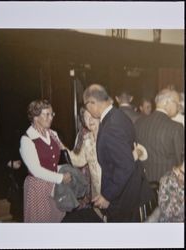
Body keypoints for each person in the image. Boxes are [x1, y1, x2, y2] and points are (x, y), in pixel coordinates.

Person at [62, 84, 155, 222]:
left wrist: (107, 196)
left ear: (92, 103)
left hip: (124, 198)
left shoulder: (110, 126)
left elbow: (125, 166)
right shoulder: (118, 115)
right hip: (129, 192)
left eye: (87, 106)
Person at [19, 99, 71, 222]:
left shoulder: (53, 134)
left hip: (54, 187)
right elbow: (36, 170)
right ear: (36, 117)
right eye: (46, 114)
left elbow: (63, 155)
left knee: (56, 224)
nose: (51, 118)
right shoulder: (27, 139)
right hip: (38, 189)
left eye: (52, 114)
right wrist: (60, 178)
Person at [135, 88, 184, 184]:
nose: (178, 108)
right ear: (166, 102)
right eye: (177, 104)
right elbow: (180, 161)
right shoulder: (176, 127)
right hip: (167, 185)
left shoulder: (139, 123)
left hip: (143, 183)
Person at [67, 107, 102, 200]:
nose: (90, 120)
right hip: (97, 192)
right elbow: (79, 160)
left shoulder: (109, 135)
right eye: (86, 117)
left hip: (113, 193)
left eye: (92, 116)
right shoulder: (87, 139)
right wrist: (62, 147)